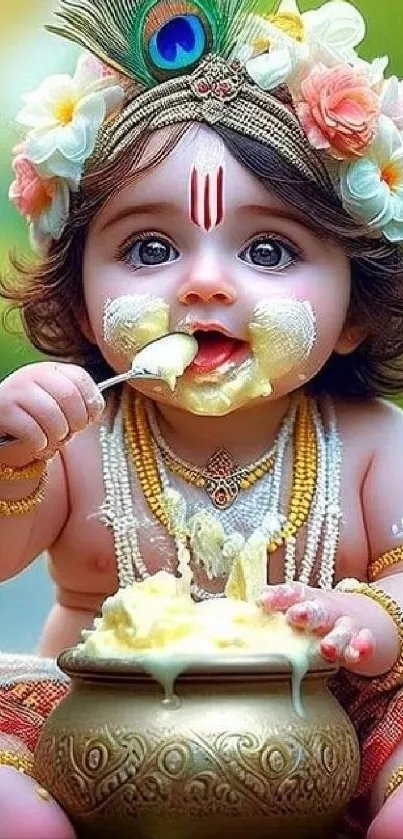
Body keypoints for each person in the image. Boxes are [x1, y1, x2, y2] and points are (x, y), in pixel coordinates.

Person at [1, 0, 403, 835]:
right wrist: (12, 463)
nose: (204, 285)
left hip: (330, 717)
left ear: (355, 307)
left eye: (267, 250)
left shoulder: (368, 442)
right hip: (97, 724)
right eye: (150, 249)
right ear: (78, 303)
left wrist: (376, 612)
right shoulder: (77, 442)